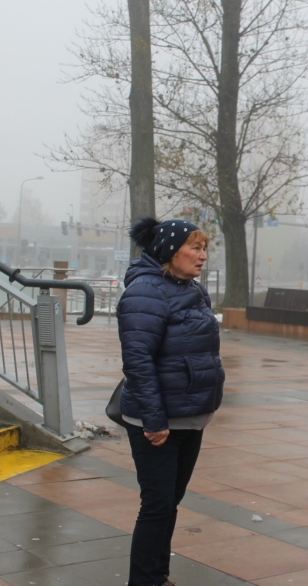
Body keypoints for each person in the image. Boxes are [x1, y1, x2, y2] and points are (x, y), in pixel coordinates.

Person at [117, 216, 224, 586]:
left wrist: (207, 402)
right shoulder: (144, 292)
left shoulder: (192, 289)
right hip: (157, 422)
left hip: (189, 416)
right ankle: (144, 580)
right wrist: (155, 420)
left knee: (168, 504)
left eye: (204, 248)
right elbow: (138, 361)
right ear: (170, 251)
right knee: (157, 505)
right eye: (195, 248)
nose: (203, 256)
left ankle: (158, 575)